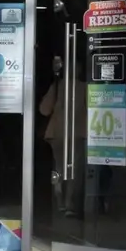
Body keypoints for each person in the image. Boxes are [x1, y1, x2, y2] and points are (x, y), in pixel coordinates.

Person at [39, 54, 88, 217]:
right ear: (80, 70)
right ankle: (69, 205)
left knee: (58, 168)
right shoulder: (85, 88)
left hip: (57, 134)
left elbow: (44, 110)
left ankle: (58, 201)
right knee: (74, 170)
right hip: (77, 134)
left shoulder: (57, 86)